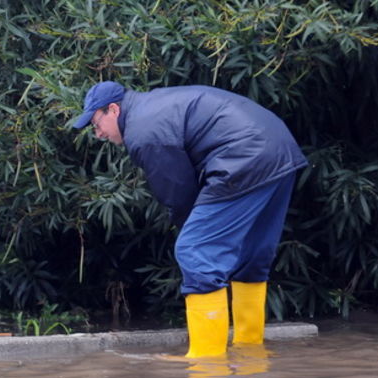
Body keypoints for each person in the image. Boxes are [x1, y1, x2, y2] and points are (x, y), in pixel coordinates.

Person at [73, 81, 308, 357]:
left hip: (244, 157)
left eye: (96, 122)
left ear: (113, 109)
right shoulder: (153, 106)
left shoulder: (144, 131)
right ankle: (250, 354)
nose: (97, 133)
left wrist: (191, 231)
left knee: (195, 250)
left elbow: (179, 192)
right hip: (280, 151)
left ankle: (207, 365)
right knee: (251, 255)